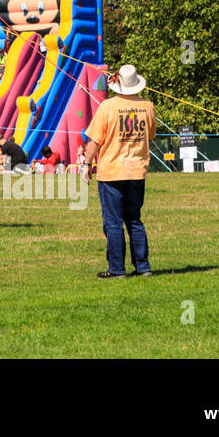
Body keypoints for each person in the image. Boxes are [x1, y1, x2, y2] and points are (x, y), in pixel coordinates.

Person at [83, 63, 156, 279]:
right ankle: (143, 267)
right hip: (136, 171)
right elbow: (149, 135)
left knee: (113, 223)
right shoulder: (148, 107)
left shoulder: (107, 107)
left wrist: (87, 164)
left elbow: (94, 141)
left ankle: (117, 269)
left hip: (111, 172)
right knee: (134, 220)